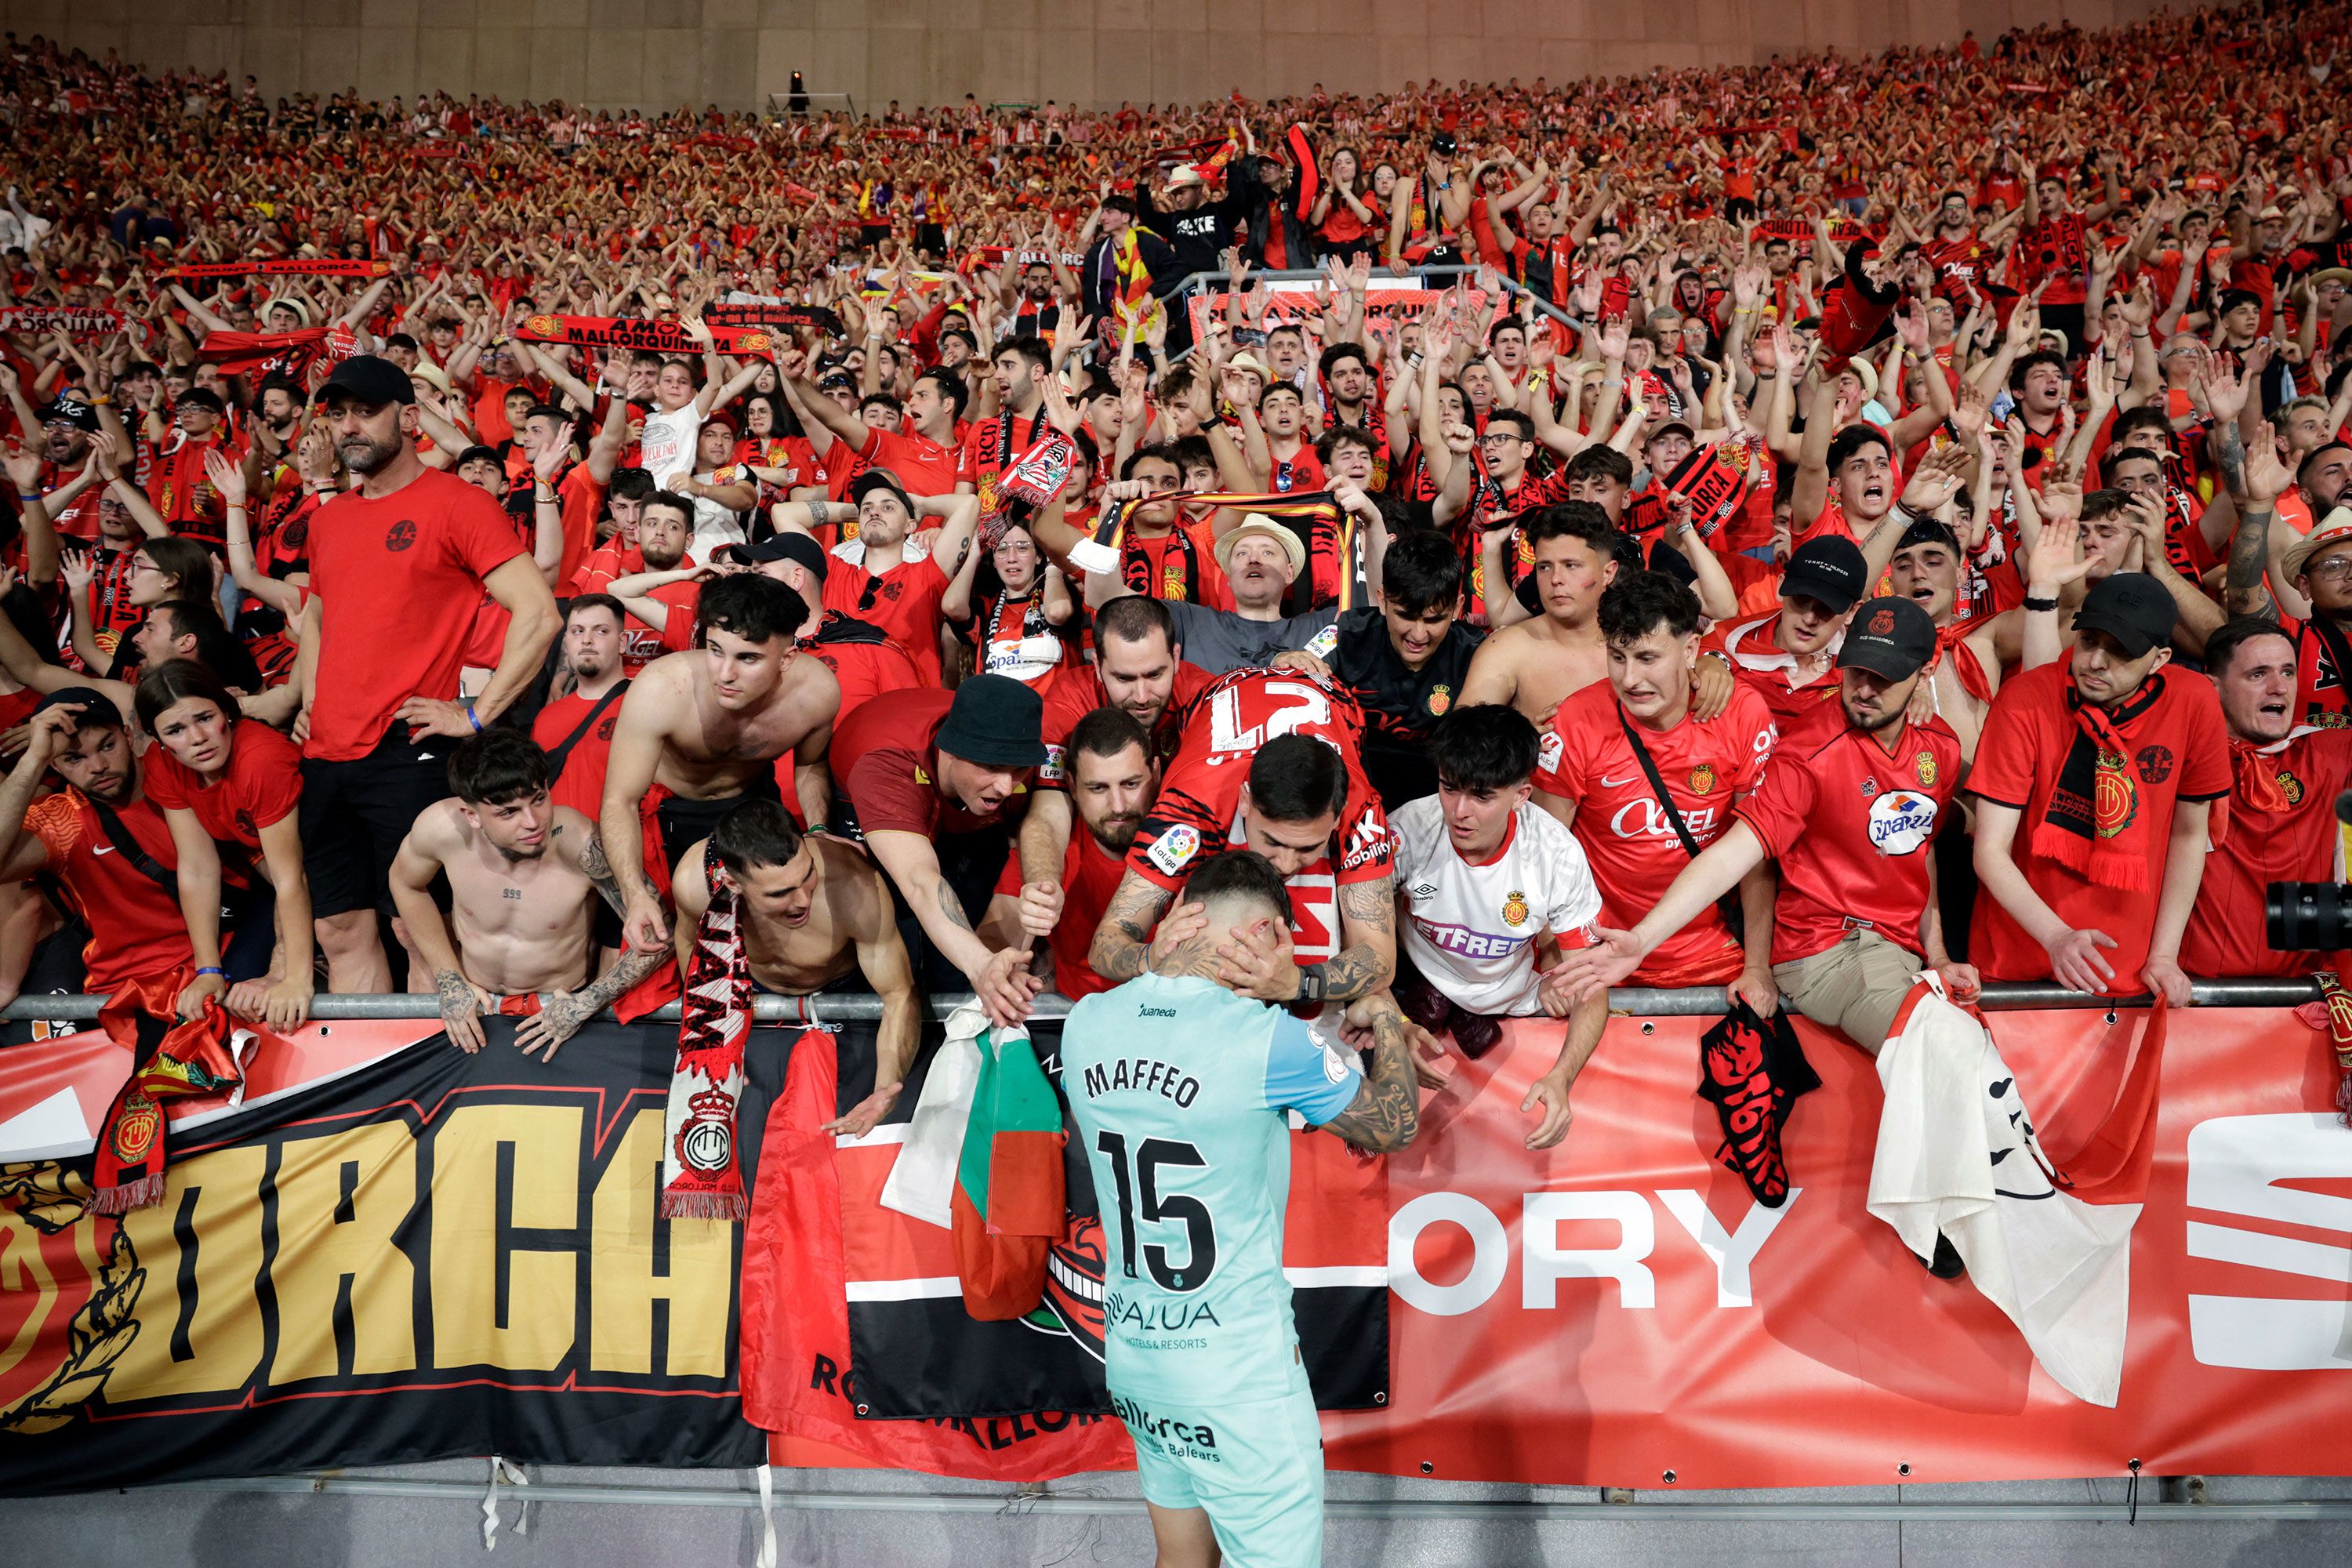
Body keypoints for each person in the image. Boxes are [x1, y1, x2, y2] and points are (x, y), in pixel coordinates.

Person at [1062, 848, 1417, 1568]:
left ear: (1179, 921)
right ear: (1266, 936)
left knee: (1181, 1562)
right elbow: (1393, 1125)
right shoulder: (1268, 1041)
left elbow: (1146, 993)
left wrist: (1157, 965)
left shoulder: (1087, 1022)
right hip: (1236, 1375)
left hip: (1137, 1357)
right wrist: (1384, 1017)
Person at [1551, 597, 1973, 1056]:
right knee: (1944, 1051)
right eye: (1857, 671)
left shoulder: (1941, 747)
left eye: (1885, 676)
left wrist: (1939, 957)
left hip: (1892, 952)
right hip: (1825, 947)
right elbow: (1737, 853)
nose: (1865, 689)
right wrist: (1630, 943)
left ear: (1924, 676)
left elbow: (1921, 846)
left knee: (1962, 1062)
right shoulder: (1807, 753)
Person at [296, 354, 561, 993]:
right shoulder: (328, 518)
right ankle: (369, 1088)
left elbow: (540, 613)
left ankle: (432, 1082)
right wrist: (311, 702)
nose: (349, 427)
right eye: (338, 415)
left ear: (410, 418)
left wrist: (475, 713)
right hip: (326, 753)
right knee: (337, 930)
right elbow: (318, 618)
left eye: (366, 411)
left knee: (420, 929)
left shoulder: (458, 504)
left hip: (407, 751)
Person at [1969, 572, 2230, 1003]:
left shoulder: (2194, 700)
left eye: (2121, 652)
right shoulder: (2024, 699)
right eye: (2089, 641)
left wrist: (2164, 955)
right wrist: (2056, 937)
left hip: (2130, 965)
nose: (2095, 662)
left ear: (2161, 658)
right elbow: (1991, 850)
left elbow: (2189, 835)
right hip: (2018, 959)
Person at [1536, 572, 1781, 1007]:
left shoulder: (1743, 714)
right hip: (1597, 955)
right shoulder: (1576, 720)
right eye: (1618, 657)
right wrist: (1555, 956)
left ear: (1691, 649)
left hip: (1714, 956)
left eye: (1648, 658)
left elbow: (1755, 857)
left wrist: (1757, 966)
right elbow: (1543, 853)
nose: (1630, 679)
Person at [1093, 677, 1396, 1007]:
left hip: (1336, 700)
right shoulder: (1190, 810)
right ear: (1245, 802)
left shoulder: (1360, 808)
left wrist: (1298, 982)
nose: (1286, 865)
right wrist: (1151, 957)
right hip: (1216, 694)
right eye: (1273, 841)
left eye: (1308, 848)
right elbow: (1105, 944)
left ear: (1338, 819)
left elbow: (1381, 959)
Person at [1388, 703, 1610, 1147]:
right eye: (1449, 789)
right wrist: (1391, 1024)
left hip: (1510, 997)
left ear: (1521, 795)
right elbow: (1359, 939)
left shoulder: (1556, 855)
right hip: (1412, 988)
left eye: (1482, 796)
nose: (1459, 811)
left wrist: (1561, 1078)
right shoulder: (1406, 831)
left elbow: (1592, 988)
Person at [601, 572, 841, 956]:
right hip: (672, 814)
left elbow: (810, 766)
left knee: (773, 941)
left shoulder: (817, 693)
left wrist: (818, 828)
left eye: (748, 658)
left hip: (755, 806)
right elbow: (620, 800)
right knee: (669, 948)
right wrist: (634, 896)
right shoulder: (662, 688)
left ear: (787, 658)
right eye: (715, 650)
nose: (725, 674)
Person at [392, 730, 666, 1058]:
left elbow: (658, 932)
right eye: (509, 812)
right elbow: (406, 884)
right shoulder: (442, 830)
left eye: (538, 799)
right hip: (475, 1009)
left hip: (557, 1014)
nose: (533, 822)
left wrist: (587, 1003)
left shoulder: (580, 845)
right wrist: (449, 979)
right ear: (472, 815)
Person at [670, 799, 920, 1137]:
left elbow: (898, 994)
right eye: (780, 893)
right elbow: (690, 944)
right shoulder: (694, 884)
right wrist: (716, 1036)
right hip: (750, 988)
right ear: (733, 884)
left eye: (807, 876)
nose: (803, 900)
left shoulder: (851, 885)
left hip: (846, 989)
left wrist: (884, 1089)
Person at [829, 671, 1048, 1022]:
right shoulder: (885, 765)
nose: (1007, 787)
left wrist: (984, 963)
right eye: (991, 766)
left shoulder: (1019, 756)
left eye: (1019, 769)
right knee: (900, 948)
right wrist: (980, 966)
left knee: (957, 960)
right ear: (950, 750)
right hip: (880, 798)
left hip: (965, 821)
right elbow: (919, 880)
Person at [133, 659, 314, 1029]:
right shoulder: (163, 763)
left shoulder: (259, 757)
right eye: (176, 730)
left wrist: (291, 977)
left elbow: (291, 876)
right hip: (266, 875)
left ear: (227, 713)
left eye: (204, 718)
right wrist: (208, 970)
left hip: (318, 860)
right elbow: (198, 867)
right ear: (158, 739)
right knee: (228, 992)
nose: (197, 738)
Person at [0, 689, 198, 1008]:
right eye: (74, 758)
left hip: (225, 967)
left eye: (108, 746)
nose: (98, 766)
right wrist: (33, 759)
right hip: (129, 991)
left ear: (129, 735)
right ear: (56, 766)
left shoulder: (179, 774)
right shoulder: (62, 820)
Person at [2181, 617, 2352, 979]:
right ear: (2213, 687)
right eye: (2258, 674)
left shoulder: (2333, 751)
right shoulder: (2179, 757)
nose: (2279, 688)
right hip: (2192, 998)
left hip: (2300, 1002)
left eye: (2288, 672)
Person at [982, 706, 1160, 1002]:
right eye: (1098, 788)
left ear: (1155, 774)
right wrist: (1008, 969)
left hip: (1172, 1019)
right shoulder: (1050, 853)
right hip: (1077, 1019)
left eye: (1131, 784)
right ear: (1072, 787)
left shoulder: (1187, 841)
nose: (1118, 805)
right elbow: (992, 942)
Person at [1326, 528, 1484, 809]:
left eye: (1434, 619)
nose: (1418, 635)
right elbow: (1298, 662)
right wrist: (1294, 662)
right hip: (1351, 790)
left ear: (1458, 608)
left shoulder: (1478, 653)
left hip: (1439, 801)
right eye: (1406, 616)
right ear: (1383, 601)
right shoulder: (1349, 631)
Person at [1710, 535, 1867, 726]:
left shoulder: (1863, 676)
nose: (1809, 619)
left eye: (1827, 607)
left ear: (1852, 612)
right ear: (1781, 585)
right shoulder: (1727, 641)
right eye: (1801, 599)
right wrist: (1707, 663)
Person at [528, 593, 630, 820]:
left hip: (618, 846)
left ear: (623, 642)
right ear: (566, 642)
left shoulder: (641, 705)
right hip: (553, 849)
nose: (587, 640)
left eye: (601, 631)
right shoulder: (546, 717)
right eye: (577, 631)